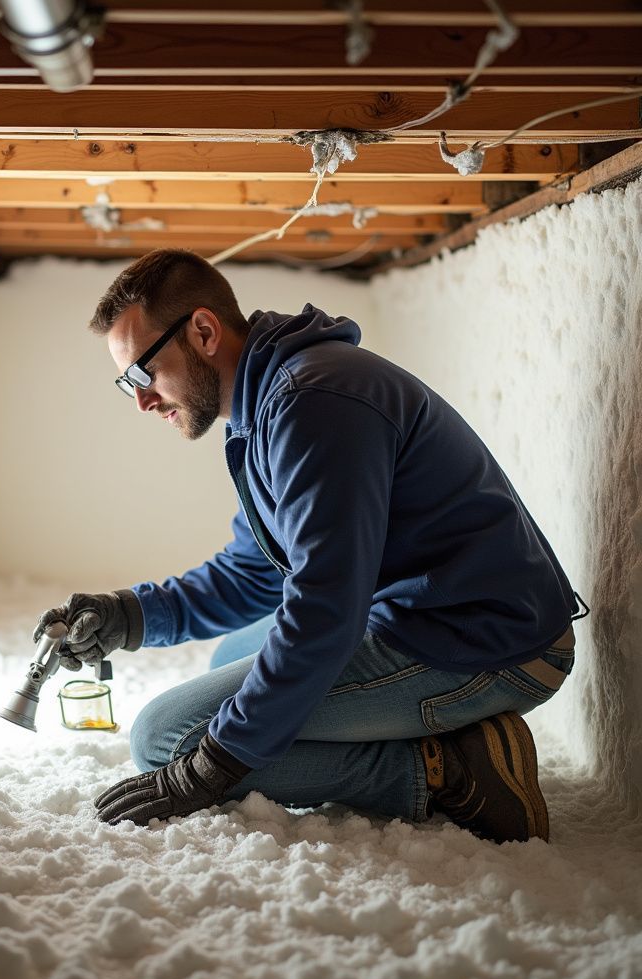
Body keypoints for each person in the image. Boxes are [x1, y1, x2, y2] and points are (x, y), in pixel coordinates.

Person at [35, 249, 584, 844]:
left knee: (168, 738)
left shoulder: (313, 401)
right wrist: (128, 615)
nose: (141, 399)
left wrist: (215, 764)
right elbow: (256, 574)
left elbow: (324, 611)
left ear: (202, 330)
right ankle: (438, 738)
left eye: (142, 374)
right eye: (127, 384)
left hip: (487, 643)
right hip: (421, 615)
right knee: (231, 663)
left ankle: (449, 770)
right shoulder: (270, 402)